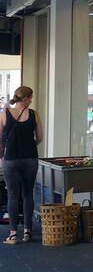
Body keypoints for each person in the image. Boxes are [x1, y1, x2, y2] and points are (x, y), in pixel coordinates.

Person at [0, 85, 43, 244]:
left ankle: (12, 234)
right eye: (30, 97)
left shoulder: (4, 114)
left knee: (12, 195)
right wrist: (29, 144)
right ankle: (27, 231)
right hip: (30, 159)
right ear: (24, 98)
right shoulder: (33, 114)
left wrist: (1, 156)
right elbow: (39, 137)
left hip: (10, 160)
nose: (31, 100)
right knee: (27, 194)